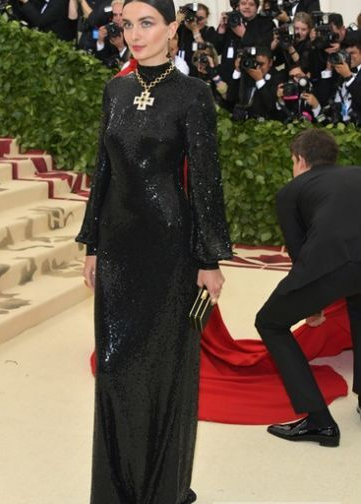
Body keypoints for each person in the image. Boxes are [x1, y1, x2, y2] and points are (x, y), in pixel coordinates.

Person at [75, 0, 232, 502]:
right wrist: (92, 243)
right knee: (115, 368)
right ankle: (116, 490)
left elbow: (205, 179)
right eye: (128, 25)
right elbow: (103, 168)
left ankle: (164, 490)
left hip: (170, 249)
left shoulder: (192, 94)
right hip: (118, 249)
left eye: (147, 24)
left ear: (172, 28)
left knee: (165, 369)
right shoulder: (115, 89)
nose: (136, 34)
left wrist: (208, 258)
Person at [255, 129, 361, 447]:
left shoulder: (292, 191)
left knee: (270, 322)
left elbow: (300, 254)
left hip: (335, 262)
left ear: (300, 160)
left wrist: (312, 308)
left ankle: (319, 422)